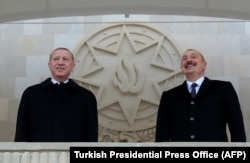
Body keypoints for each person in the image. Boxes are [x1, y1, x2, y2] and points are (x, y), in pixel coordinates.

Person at [155, 48, 246, 142]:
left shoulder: (224, 89)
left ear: (204, 65)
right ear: (181, 68)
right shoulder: (169, 96)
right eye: (184, 58)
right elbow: (162, 135)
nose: (188, 60)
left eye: (194, 57)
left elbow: (236, 126)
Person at [14, 47, 98, 142]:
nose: (60, 63)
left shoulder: (86, 97)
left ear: (73, 66)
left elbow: (91, 135)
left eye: (65, 59)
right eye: (56, 59)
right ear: (49, 65)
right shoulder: (31, 94)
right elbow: (21, 132)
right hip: (39, 155)